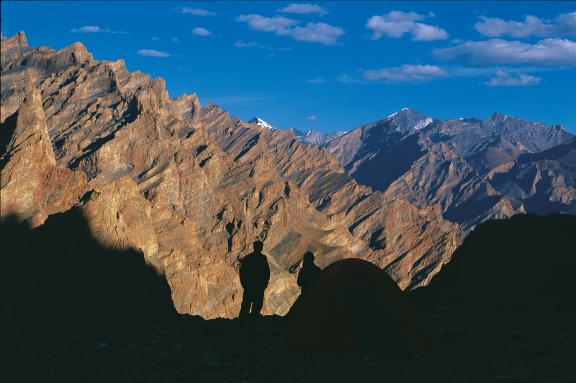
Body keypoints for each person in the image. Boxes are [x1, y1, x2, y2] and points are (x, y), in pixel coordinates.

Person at [238, 240, 270, 332]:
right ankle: (251, 330)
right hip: (258, 288)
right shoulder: (263, 258)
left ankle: (240, 328)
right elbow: (266, 273)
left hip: (249, 287)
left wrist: (244, 284)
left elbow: (242, 272)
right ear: (260, 248)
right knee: (256, 310)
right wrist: (264, 284)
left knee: (245, 308)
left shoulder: (248, 258)